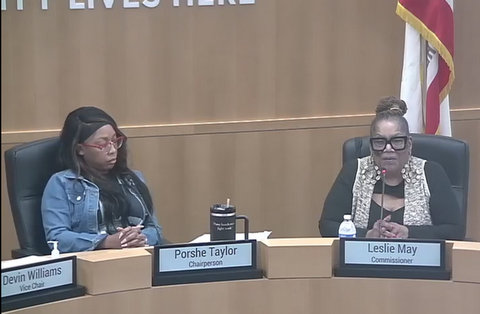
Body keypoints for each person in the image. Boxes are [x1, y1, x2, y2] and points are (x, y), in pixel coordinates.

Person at [319, 96, 463, 240]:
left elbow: (454, 230)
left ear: (409, 144)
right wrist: (367, 235)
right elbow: (327, 225)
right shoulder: (354, 172)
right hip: (364, 260)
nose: (388, 149)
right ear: (371, 146)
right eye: (380, 142)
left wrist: (409, 233)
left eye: (397, 141)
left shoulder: (431, 173)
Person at [41, 106, 165, 253]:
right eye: (102, 144)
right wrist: (105, 242)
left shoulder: (133, 179)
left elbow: (154, 228)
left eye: (115, 141)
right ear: (79, 149)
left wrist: (140, 238)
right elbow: (57, 237)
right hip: (93, 263)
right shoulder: (62, 183)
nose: (112, 150)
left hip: (139, 256)